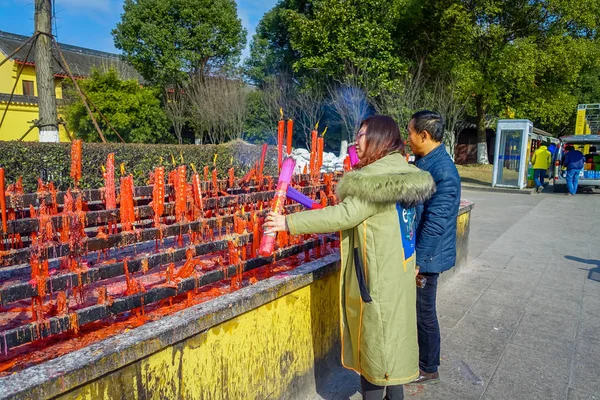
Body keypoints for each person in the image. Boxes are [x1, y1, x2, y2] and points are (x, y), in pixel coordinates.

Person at [264, 115, 435, 400]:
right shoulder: (402, 171)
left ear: (380, 138)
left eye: (365, 134)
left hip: (376, 279)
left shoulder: (374, 182)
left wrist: (287, 224)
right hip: (398, 273)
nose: (358, 139)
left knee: (374, 354)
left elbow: (343, 216)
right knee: (390, 348)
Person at [406, 110, 461, 385]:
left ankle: (428, 367)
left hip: (427, 256)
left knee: (423, 312)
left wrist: (418, 260)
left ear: (424, 135)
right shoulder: (425, 161)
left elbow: (435, 223)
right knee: (418, 310)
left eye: (410, 133)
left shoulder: (443, 172)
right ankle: (418, 360)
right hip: (420, 253)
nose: (408, 139)